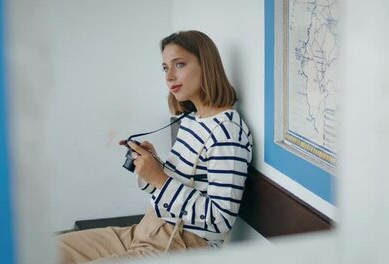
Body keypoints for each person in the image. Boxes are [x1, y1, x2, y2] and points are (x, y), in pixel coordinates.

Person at [57, 30, 253, 263]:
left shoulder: (227, 132)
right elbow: (174, 190)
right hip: (148, 228)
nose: (169, 76)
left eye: (179, 64)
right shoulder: (192, 119)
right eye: (164, 68)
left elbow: (220, 219)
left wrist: (159, 178)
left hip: (184, 244)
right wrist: (151, 166)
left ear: (206, 66)